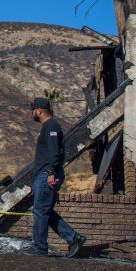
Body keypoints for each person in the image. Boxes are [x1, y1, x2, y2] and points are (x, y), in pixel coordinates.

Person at [24, 97, 86, 257]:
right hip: (45, 174)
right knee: (45, 211)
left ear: (39, 110)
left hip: (47, 174)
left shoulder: (51, 126)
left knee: (39, 211)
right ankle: (73, 238)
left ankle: (39, 248)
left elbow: (54, 152)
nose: (32, 113)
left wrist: (51, 172)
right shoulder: (49, 126)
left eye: (33, 110)